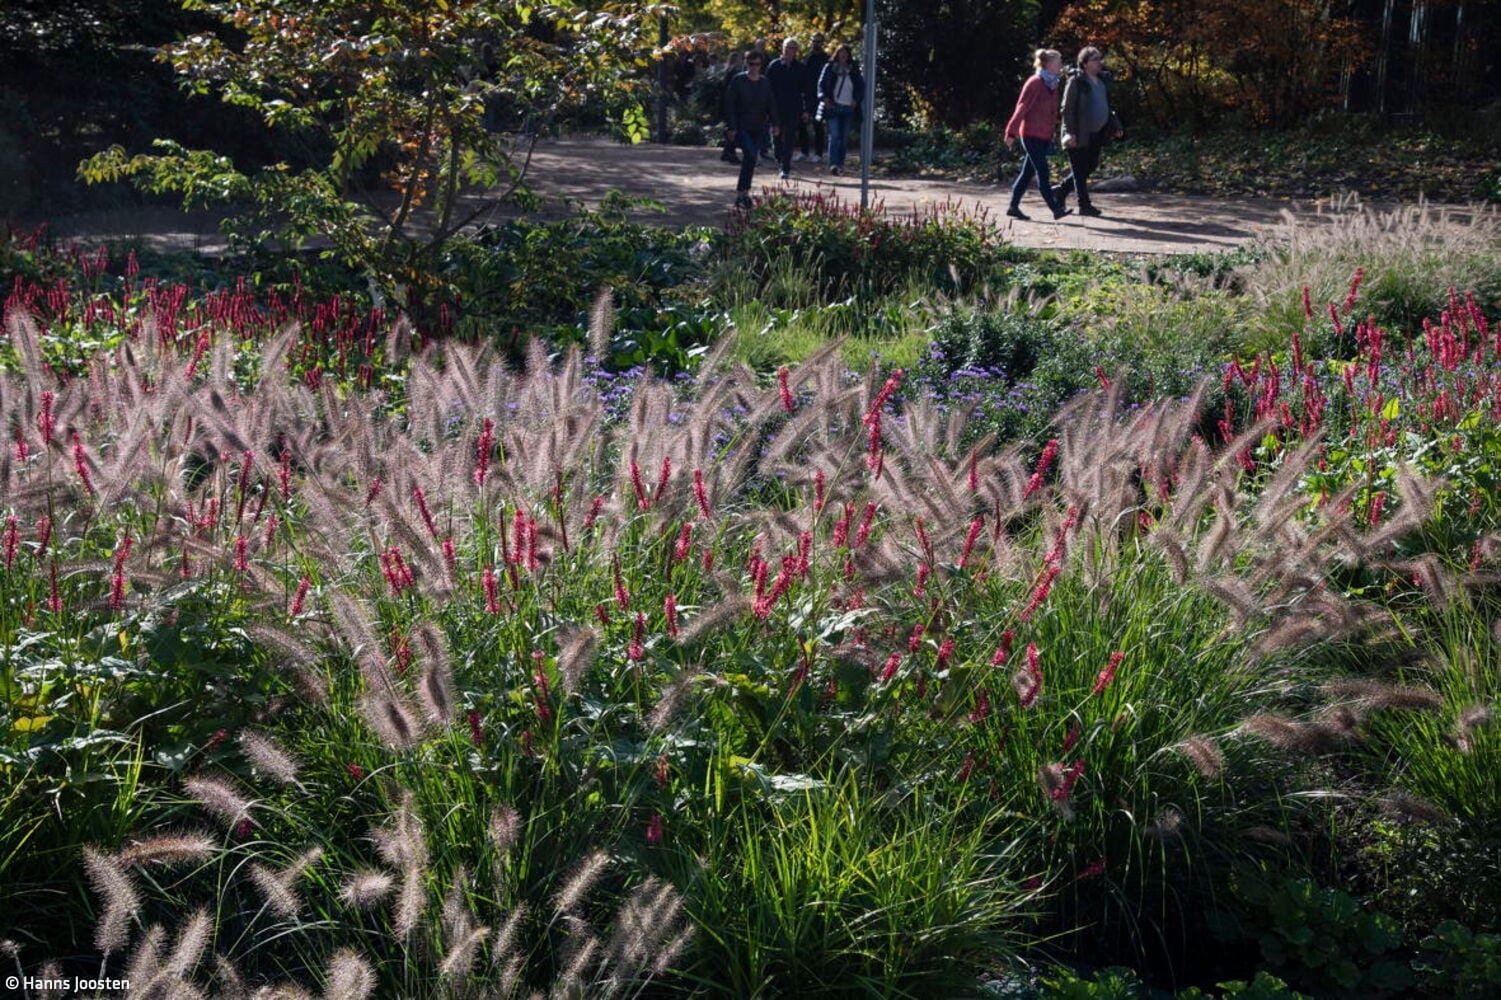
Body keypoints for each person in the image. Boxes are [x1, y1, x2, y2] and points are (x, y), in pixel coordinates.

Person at [1054, 46, 1124, 217]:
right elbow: (1067, 109)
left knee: (1090, 166)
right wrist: (1070, 133)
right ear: (1084, 63)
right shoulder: (1076, 81)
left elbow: (1107, 107)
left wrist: (1116, 126)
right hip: (1078, 133)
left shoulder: (1102, 82)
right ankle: (1084, 205)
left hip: (1097, 133)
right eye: (1095, 59)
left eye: (1100, 58)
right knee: (1079, 170)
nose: (1100, 62)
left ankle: (1061, 190)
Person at [1003, 49, 1071, 221]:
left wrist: (1052, 134)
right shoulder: (1035, 83)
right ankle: (1056, 209)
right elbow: (1021, 108)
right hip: (1030, 135)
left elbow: (1052, 113)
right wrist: (1011, 132)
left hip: (1043, 136)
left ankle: (1013, 207)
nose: (1061, 65)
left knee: (1027, 173)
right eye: (1058, 62)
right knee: (1043, 172)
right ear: (1048, 64)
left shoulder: (1053, 84)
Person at [725, 48, 780, 208]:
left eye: (757, 64)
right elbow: (730, 105)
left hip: (759, 126)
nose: (754, 67)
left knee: (751, 159)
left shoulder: (764, 82)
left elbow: (771, 104)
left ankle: (743, 193)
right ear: (746, 64)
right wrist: (731, 127)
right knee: (750, 155)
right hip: (742, 126)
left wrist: (775, 124)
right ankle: (742, 192)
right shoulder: (738, 80)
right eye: (751, 64)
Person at [767, 38, 812, 180]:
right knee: (777, 137)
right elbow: (767, 88)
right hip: (776, 107)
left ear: (796, 51)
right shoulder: (774, 66)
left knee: (790, 138)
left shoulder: (800, 68)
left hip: (793, 108)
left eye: (792, 48)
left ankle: (785, 167)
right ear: (783, 48)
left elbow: (806, 90)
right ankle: (779, 159)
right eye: (787, 47)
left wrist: (806, 110)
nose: (789, 50)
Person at [817, 44, 863, 176]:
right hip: (833, 106)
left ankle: (840, 164)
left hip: (848, 107)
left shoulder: (853, 69)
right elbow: (821, 84)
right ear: (836, 54)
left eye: (845, 53)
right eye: (841, 52)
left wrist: (856, 99)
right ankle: (833, 164)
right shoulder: (829, 67)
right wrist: (824, 98)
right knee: (834, 136)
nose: (843, 55)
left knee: (844, 138)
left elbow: (860, 86)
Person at [800, 33, 829, 162]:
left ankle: (818, 153)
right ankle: (804, 152)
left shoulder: (826, 58)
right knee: (802, 122)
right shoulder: (807, 57)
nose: (816, 44)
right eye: (814, 41)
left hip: (820, 96)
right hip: (807, 95)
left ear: (822, 43)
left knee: (818, 124)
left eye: (818, 41)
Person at [718, 50, 746, 164]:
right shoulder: (735, 72)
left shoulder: (728, 71)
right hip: (733, 104)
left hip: (727, 103)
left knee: (731, 127)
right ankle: (730, 153)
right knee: (734, 128)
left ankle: (727, 152)